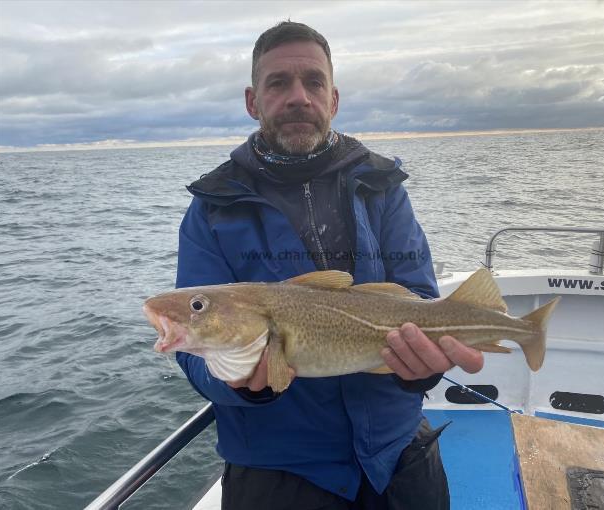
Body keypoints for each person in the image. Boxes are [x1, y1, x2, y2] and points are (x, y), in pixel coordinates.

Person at [175, 21, 483, 510]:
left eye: (313, 82)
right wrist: (239, 383)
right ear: (253, 101)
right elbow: (193, 350)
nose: (299, 97)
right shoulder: (213, 207)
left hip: (395, 454)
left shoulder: (382, 187)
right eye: (279, 83)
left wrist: (419, 370)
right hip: (278, 472)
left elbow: (418, 298)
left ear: (333, 99)